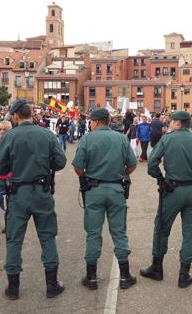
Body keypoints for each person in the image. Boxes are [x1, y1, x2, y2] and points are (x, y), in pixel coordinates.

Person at [0, 100, 67, 300]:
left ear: (16, 116)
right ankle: (51, 284)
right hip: (42, 192)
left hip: (18, 194)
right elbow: (60, 162)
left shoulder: (9, 137)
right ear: (30, 115)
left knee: (14, 240)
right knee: (47, 237)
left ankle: (13, 288)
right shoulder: (46, 135)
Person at [140, 111, 192, 288]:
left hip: (173, 190)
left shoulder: (167, 139)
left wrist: (160, 178)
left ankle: (157, 269)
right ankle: (184, 274)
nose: (170, 124)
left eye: (172, 122)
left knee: (161, 229)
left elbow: (152, 164)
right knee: (189, 233)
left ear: (179, 123)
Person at [72, 108, 138, 290]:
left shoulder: (87, 138)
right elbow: (132, 164)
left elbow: (78, 166)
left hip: (94, 190)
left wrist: (86, 176)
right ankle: (125, 276)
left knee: (93, 233)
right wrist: (121, 174)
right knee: (119, 232)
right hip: (116, 188)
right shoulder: (121, 138)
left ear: (95, 121)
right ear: (107, 121)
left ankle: (91, 277)